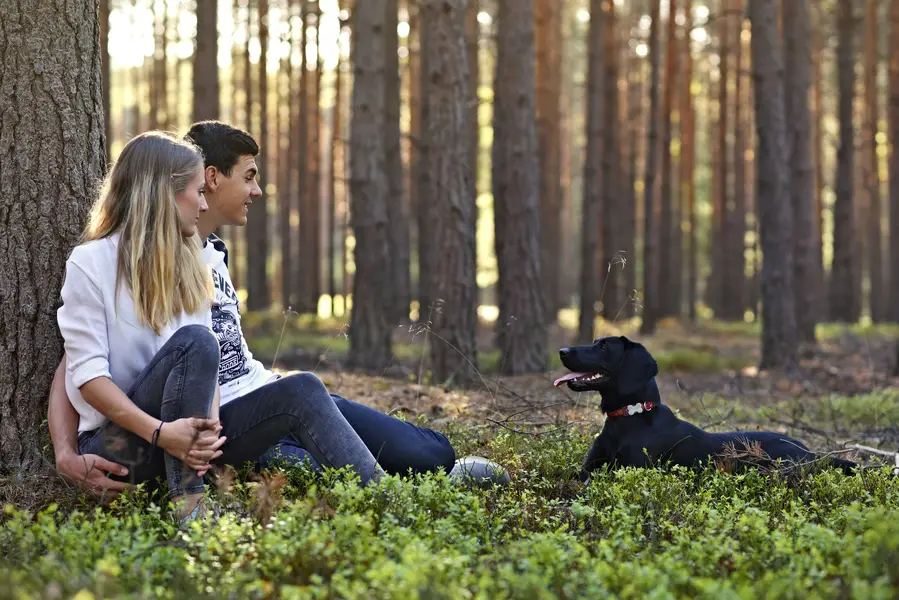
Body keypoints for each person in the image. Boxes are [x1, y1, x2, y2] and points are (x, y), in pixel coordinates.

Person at [49, 122, 458, 500]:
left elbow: (202, 368)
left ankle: (395, 501)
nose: (203, 203)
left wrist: (205, 435)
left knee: (303, 390)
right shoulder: (91, 263)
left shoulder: (192, 265)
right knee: (198, 345)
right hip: (124, 444)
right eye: (197, 192)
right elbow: (82, 369)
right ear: (168, 193)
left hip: (197, 429)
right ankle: (191, 513)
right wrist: (152, 435)